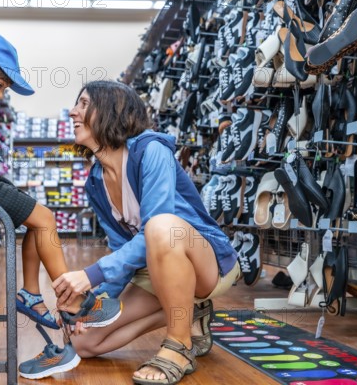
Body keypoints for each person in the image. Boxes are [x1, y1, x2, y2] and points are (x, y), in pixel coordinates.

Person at [0, 33, 122, 333]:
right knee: (46, 218)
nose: (0, 94)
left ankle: (31, 293)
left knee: (38, 221)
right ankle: (71, 298)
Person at [51, 80, 240, 385]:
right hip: (155, 271)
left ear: (113, 111)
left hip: (207, 262)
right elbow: (119, 249)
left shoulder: (150, 151)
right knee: (84, 344)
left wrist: (90, 274)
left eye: (84, 104)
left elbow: (160, 224)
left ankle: (179, 346)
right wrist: (94, 306)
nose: (73, 112)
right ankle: (188, 311)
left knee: (161, 226)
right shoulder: (95, 182)